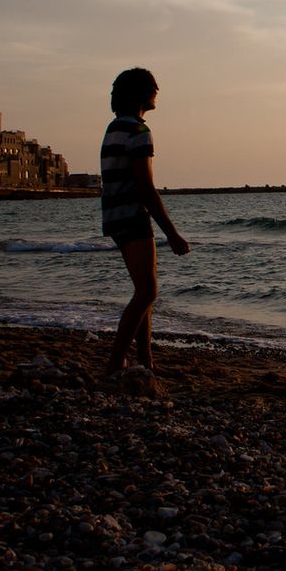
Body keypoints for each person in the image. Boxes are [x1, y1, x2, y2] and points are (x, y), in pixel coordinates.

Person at [101, 67, 191, 384]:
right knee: (147, 292)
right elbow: (146, 189)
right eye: (154, 87)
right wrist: (172, 234)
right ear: (141, 94)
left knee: (144, 292)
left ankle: (147, 363)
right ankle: (115, 363)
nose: (158, 91)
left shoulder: (114, 128)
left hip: (113, 216)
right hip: (131, 215)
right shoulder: (139, 132)